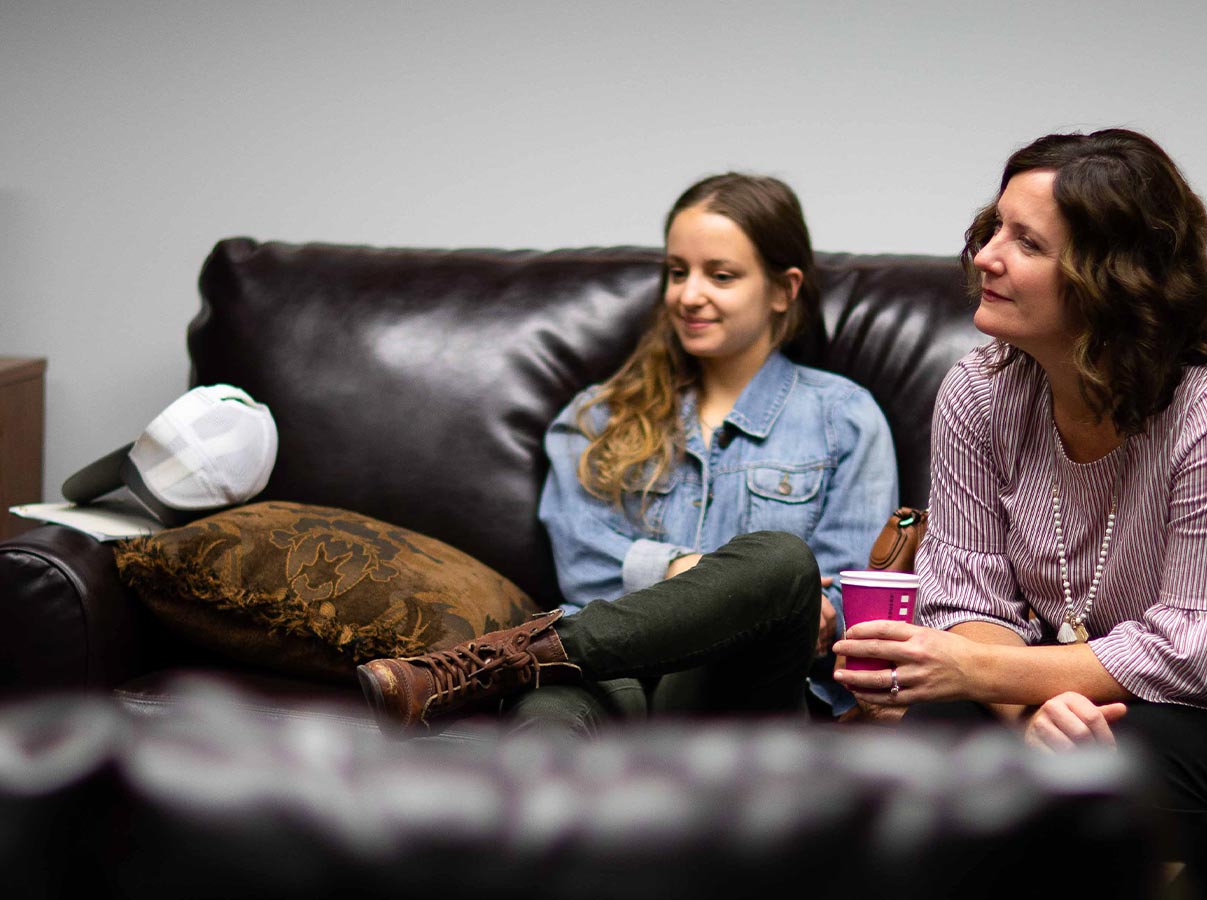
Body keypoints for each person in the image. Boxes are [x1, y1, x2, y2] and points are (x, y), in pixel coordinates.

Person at [830, 130, 1207, 895]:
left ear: (1109, 281)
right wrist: (1030, 715)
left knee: (1128, 764)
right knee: (945, 733)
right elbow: (968, 603)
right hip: (1105, 684)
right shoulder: (977, 392)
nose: (985, 257)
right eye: (994, 228)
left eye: (1027, 243)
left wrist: (984, 673)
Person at [359, 173, 897, 734]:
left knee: (782, 562)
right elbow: (584, 567)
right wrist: (696, 576)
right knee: (547, 718)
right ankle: (510, 677)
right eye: (677, 272)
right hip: (607, 675)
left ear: (784, 290)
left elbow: (843, 602)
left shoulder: (845, 419)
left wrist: (724, 585)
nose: (688, 295)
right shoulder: (597, 418)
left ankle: (497, 663)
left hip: (737, 689)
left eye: (721, 276)